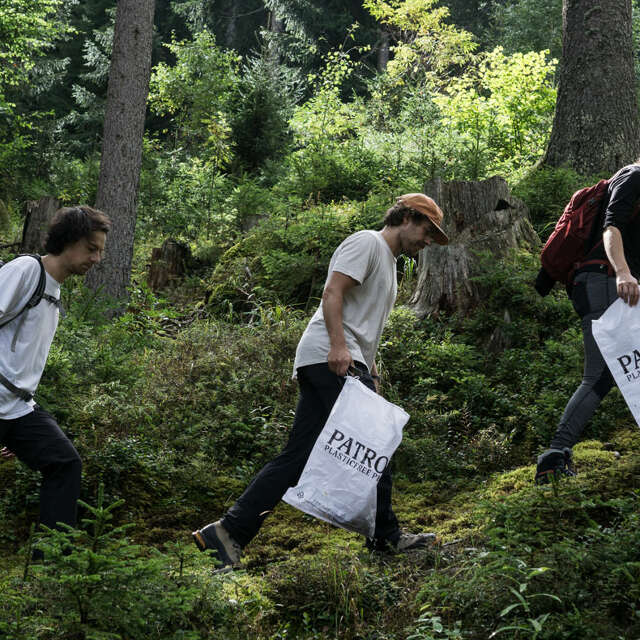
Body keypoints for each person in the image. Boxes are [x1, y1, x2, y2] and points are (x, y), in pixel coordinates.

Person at [193, 193, 449, 568]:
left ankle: (229, 533)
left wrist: (372, 373)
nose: (428, 241)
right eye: (427, 231)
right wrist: (339, 347)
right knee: (376, 441)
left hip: (341, 359)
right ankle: (387, 538)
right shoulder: (368, 243)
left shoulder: (390, 264)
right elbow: (333, 292)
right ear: (407, 218)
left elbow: (368, 328)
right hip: (330, 356)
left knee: (297, 456)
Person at [0, 206, 111, 539]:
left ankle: (52, 569)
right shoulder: (26, 270)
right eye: (92, 248)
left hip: (17, 408)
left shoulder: (55, 289)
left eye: (101, 251)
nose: (97, 259)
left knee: (64, 463)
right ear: (70, 241)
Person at [535, 163, 640, 484]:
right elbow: (612, 227)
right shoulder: (634, 176)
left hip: (609, 284)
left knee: (617, 370)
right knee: (600, 375)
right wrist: (622, 271)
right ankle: (553, 458)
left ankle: (556, 455)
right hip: (603, 281)